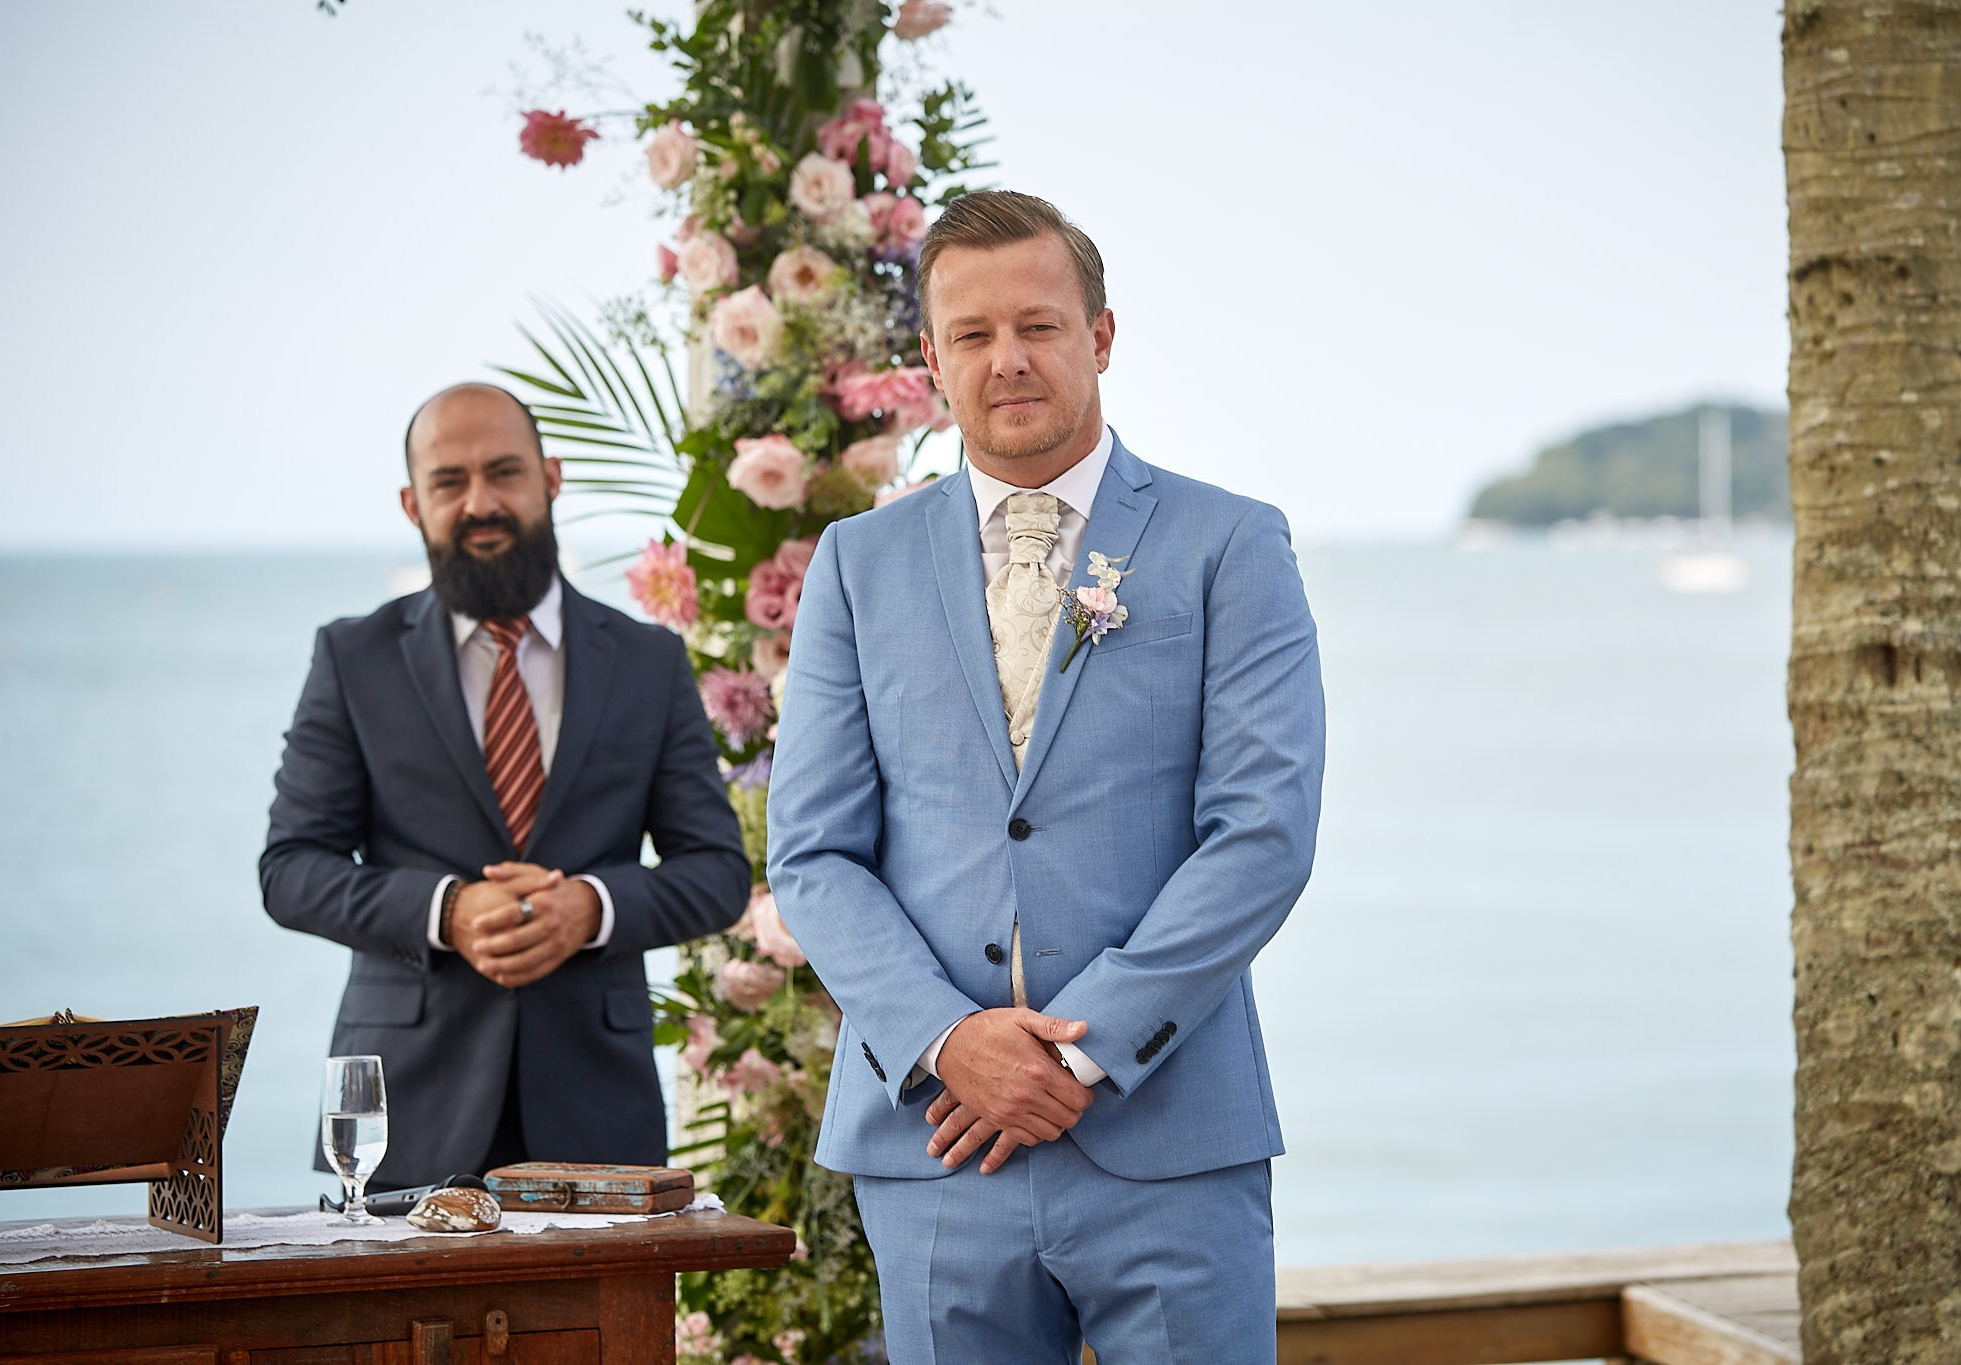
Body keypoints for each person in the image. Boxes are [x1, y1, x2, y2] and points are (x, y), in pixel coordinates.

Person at [767, 191, 1325, 1364]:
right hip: (937, 1143)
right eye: (970, 335)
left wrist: (1079, 1052)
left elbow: (1260, 834)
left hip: (1166, 1133)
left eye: (1038, 326)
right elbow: (812, 852)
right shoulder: (856, 564)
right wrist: (944, 1039)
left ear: (1101, 336)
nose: (1005, 360)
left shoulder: (1231, 543)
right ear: (929, 358)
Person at [261, 382, 749, 1189]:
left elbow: (718, 873)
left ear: (550, 478)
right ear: (412, 503)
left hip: (600, 1112)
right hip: (400, 1115)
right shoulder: (353, 659)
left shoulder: (648, 661)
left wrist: (592, 907)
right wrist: (445, 910)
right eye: (449, 481)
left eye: (504, 472)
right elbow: (290, 870)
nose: (480, 501)